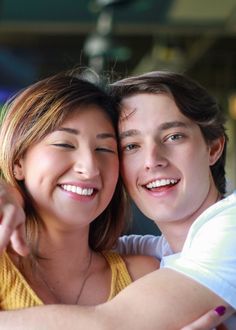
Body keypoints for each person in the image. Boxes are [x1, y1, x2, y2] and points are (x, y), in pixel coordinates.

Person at [0, 71, 235, 329]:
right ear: (17, 161)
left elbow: (110, 325)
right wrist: (11, 191)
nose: (152, 160)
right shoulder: (158, 252)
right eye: (131, 146)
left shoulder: (228, 228)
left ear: (213, 148)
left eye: (174, 136)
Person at [0, 70, 159, 310]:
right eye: (64, 144)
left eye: (105, 149)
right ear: (18, 162)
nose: (90, 167)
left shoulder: (144, 277)